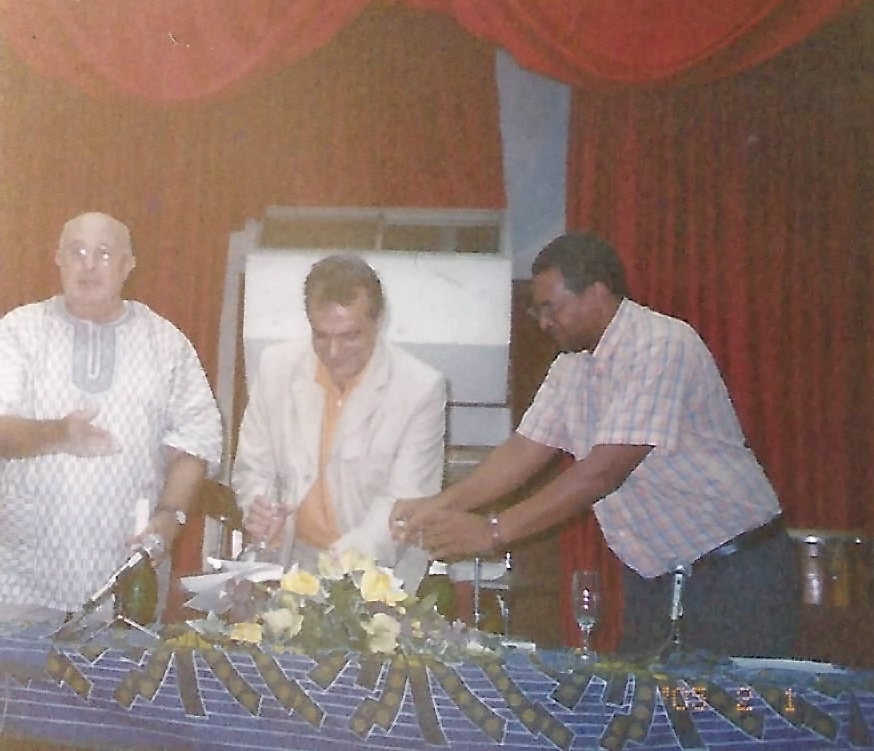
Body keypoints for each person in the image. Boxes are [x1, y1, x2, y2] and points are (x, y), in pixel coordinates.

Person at [392, 233, 800, 657]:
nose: (543, 322)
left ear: (597, 293)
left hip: (736, 570)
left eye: (552, 308)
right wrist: (439, 505)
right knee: (639, 699)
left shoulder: (661, 344)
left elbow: (603, 471)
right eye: (538, 310)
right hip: (658, 578)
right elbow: (522, 451)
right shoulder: (571, 366)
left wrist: (494, 532)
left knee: (737, 701)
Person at [0, 212, 223, 620]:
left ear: (128, 264)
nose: (88, 265)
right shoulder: (18, 332)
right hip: (20, 579)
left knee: (121, 664)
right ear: (58, 259)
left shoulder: (166, 344)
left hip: (126, 574)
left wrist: (171, 515)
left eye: (103, 253)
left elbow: (197, 440)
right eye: (77, 251)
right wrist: (58, 434)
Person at [232, 254, 446, 594]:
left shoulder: (421, 389)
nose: (333, 352)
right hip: (289, 560)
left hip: (379, 573)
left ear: (378, 321)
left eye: (350, 336)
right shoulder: (276, 367)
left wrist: (330, 574)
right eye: (321, 336)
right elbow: (252, 468)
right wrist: (261, 509)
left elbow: (403, 507)